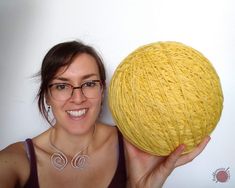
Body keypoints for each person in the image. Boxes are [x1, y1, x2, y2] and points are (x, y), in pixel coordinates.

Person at [0, 41, 210, 188]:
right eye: (62, 86)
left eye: (89, 83)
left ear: (102, 90)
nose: (78, 98)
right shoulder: (16, 161)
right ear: (47, 94)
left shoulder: (136, 144)